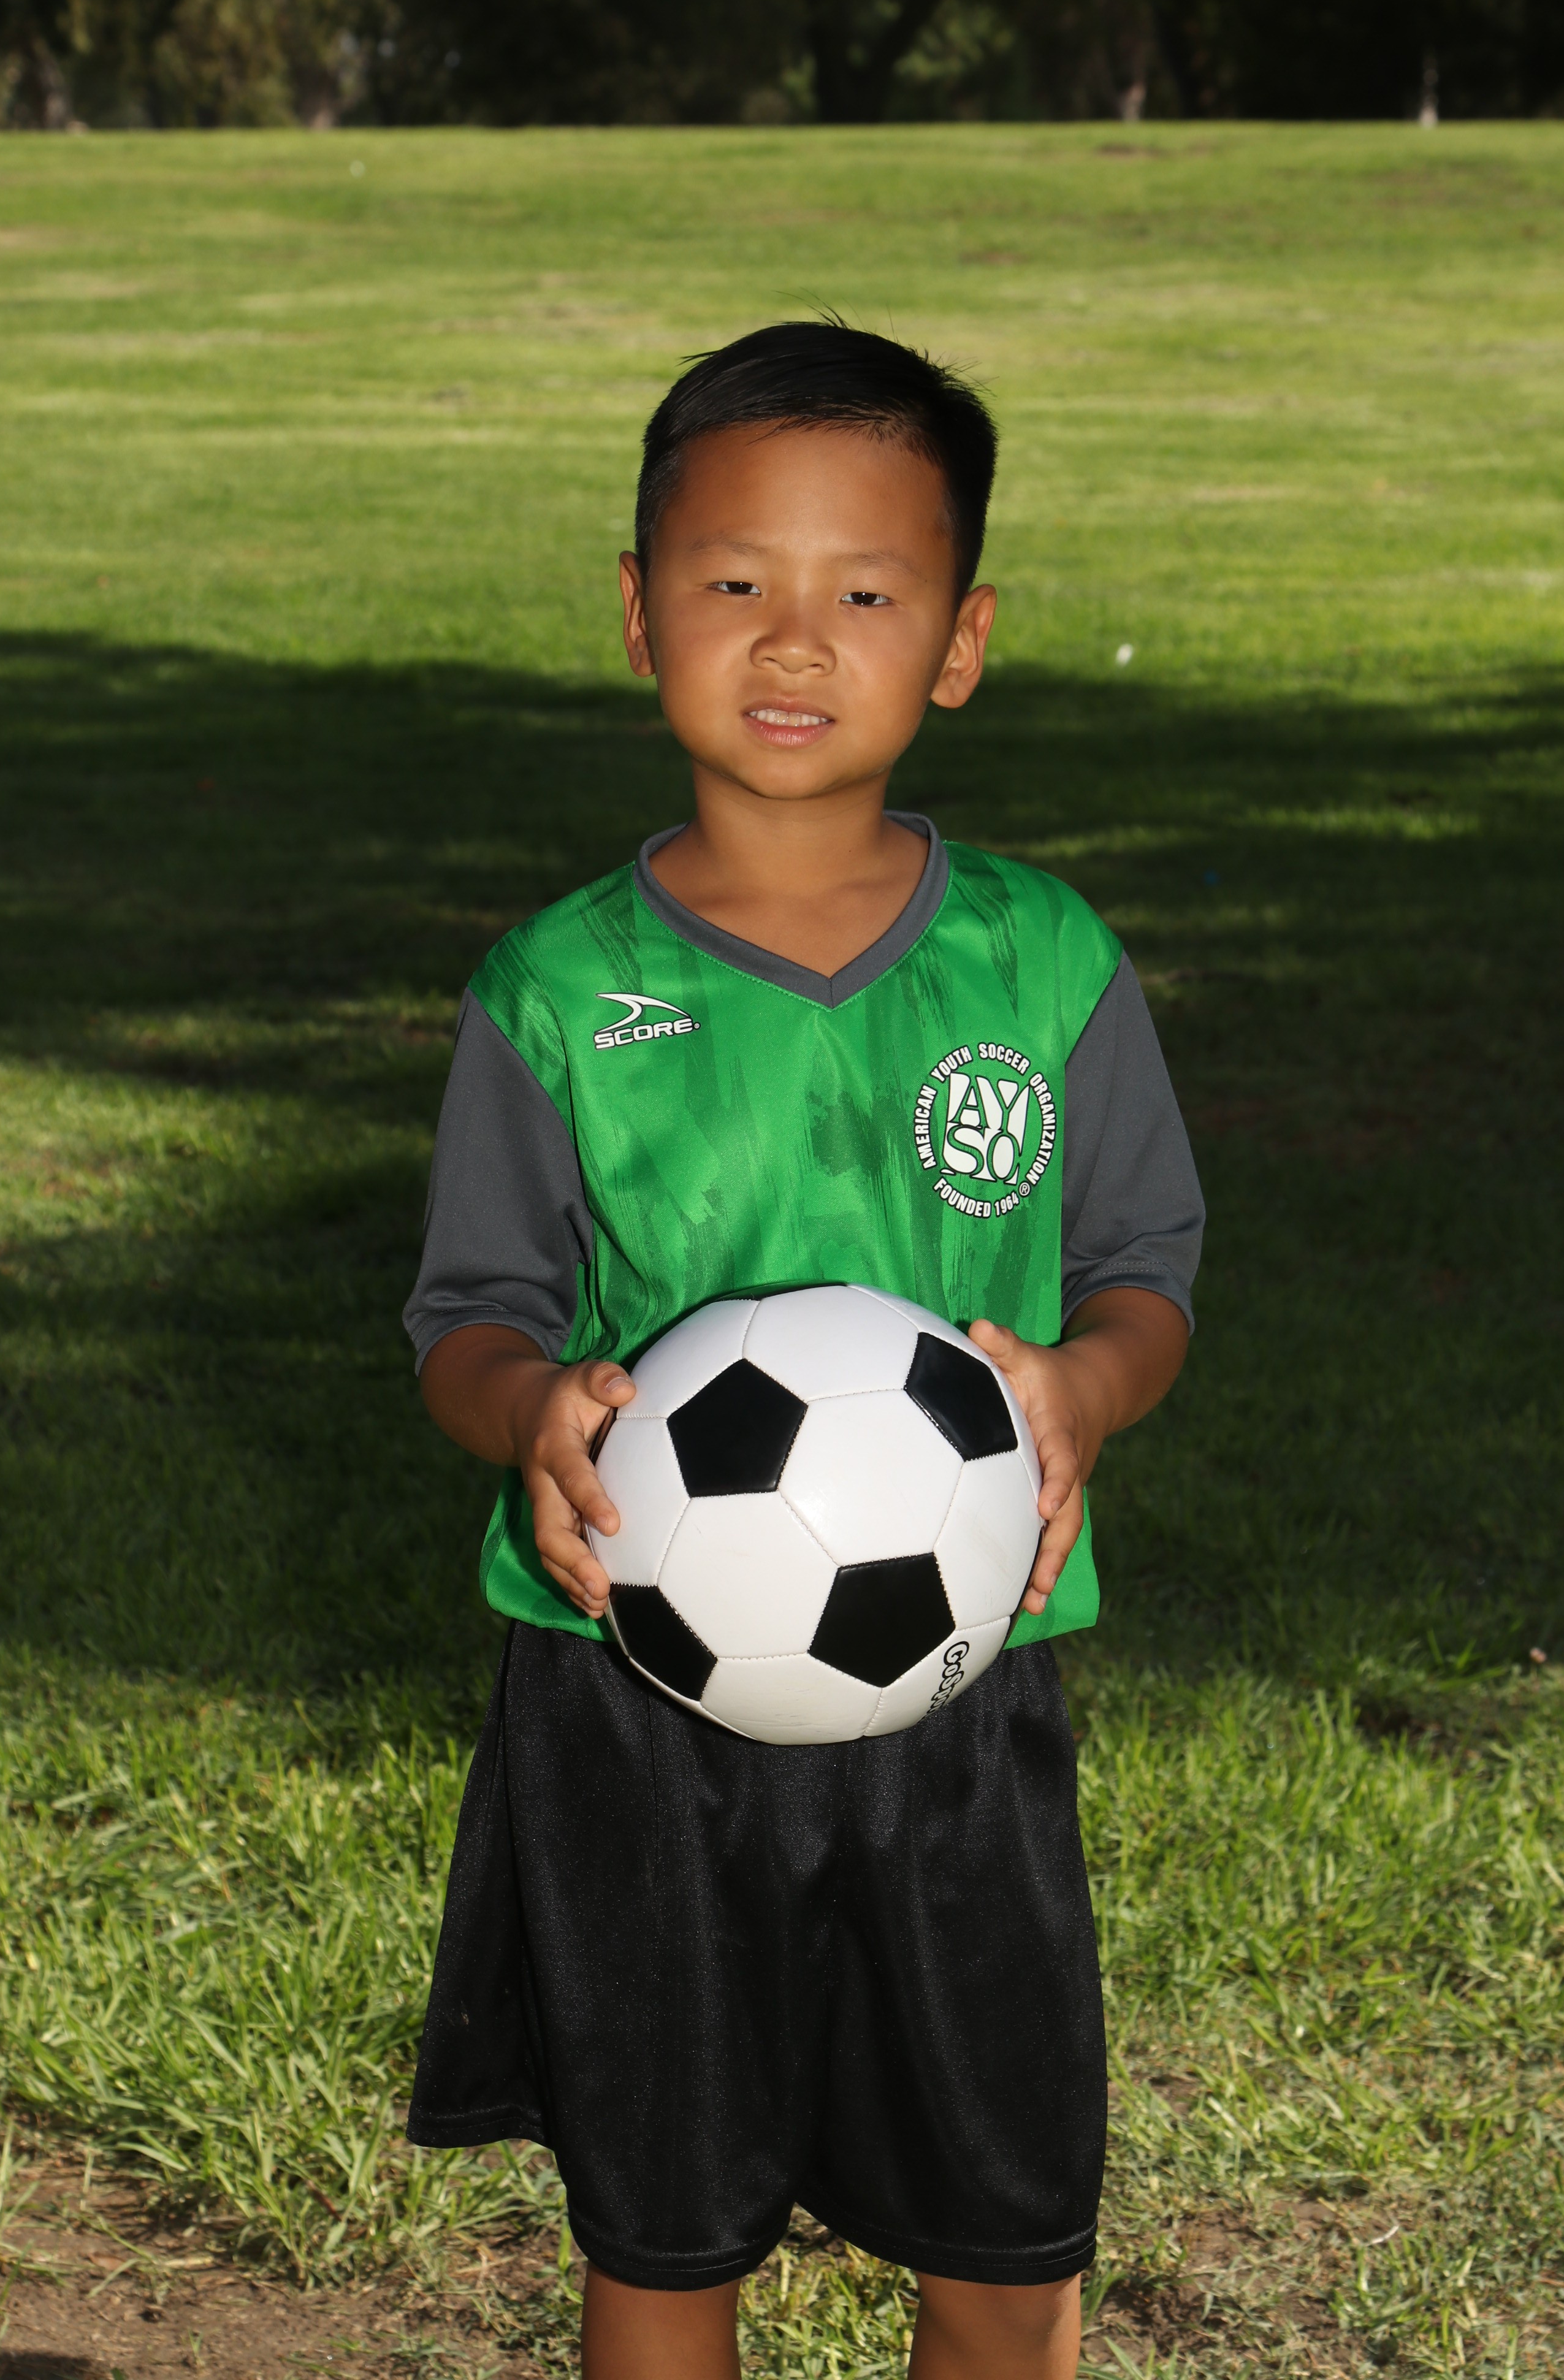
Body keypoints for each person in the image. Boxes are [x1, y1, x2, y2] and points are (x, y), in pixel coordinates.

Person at [402, 320, 1204, 2380]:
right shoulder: (557, 989)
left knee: (1009, 2236)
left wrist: (1087, 1387)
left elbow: (1143, 1270)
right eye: (735, 579)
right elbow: (469, 1316)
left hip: (964, 1698)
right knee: (665, 2241)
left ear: (962, 642)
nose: (792, 637)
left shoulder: (1042, 960)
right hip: (631, 1707)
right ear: (638, 612)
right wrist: (530, 1411)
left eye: (866, 592)